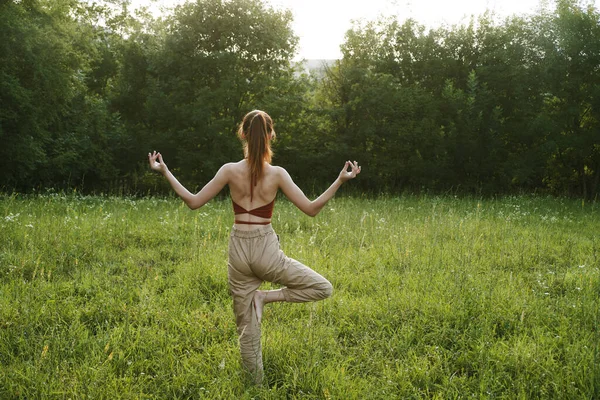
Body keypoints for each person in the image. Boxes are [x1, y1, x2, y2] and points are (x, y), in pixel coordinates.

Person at [148, 109, 360, 383]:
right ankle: (265, 297)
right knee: (323, 287)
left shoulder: (229, 170)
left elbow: (193, 201)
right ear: (271, 135)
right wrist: (340, 181)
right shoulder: (278, 174)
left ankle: (255, 385)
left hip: (238, 250)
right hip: (266, 251)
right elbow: (311, 209)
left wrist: (165, 171)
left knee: (247, 331)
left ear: (243, 134)